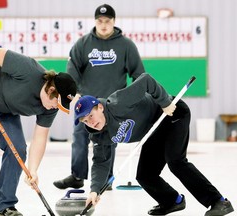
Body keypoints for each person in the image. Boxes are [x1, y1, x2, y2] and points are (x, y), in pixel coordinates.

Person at [73, 73, 234, 216]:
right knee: (145, 175)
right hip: (152, 129)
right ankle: (173, 201)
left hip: (170, 113)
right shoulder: (99, 135)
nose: (91, 122)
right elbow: (101, 162)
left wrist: (164, 102)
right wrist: (94, 190)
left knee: (176, 161)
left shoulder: (117, 103)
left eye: (91, 116)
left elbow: (146, 80)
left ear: (100, 107)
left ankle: (219, 201)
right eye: (85, 120)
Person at [0, 47, 77, 216]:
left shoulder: (50, 108)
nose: (55, 108)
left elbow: (40, 137)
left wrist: (33, 170)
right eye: (56, 103)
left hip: (5, 109)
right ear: (51, 90)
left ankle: (4, 205)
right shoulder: (29, 70)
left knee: (18, 150)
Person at [53, 3, 145, 190]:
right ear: (95, 21)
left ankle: (106, 179)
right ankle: (77, 176)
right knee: (80, 136)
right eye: (100, 21)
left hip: (113, 104)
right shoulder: (83, 44)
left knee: (109, 140)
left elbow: (138, 75)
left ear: (114, 22)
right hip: (86, 102)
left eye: (107, 21)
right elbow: (72, 71)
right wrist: (74, 93)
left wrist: (135, 98)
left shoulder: (126, 46)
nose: (103, 25)